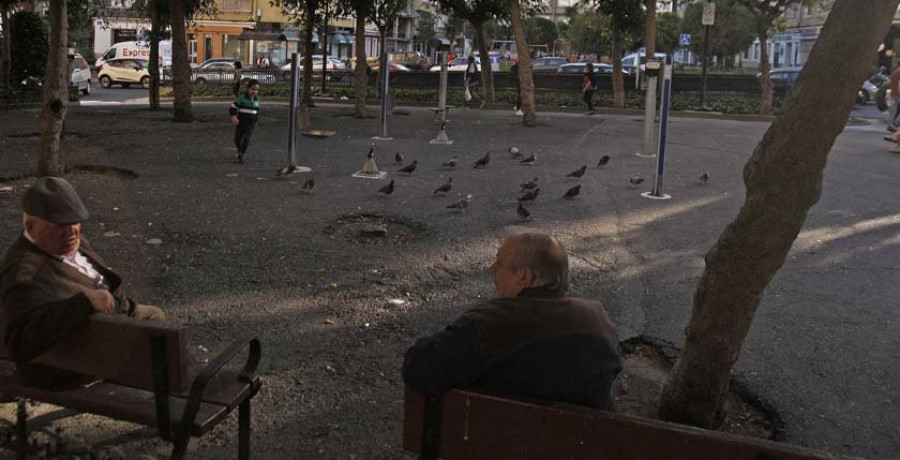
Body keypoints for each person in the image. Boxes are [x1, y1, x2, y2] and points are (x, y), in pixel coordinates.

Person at [402, 233, 622, 410]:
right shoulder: (598, 320)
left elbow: (418, 368)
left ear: (523, 277)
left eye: (499, 263)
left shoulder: (491, 322)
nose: (491, 269)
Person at [0, 177, 166, 386]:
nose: (71, 232)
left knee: (155, 318)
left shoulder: (65, 243)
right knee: (160, 338)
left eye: (75, 222)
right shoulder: (25, 273)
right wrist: (82, 303)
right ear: (30, 226)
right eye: (59, 225)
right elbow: (19, 342)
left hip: (102, 329)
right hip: (72, 364)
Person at [229, 78, 261, 164]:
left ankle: (242, 154)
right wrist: (234, 117)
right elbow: (233, 108)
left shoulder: (257, 100)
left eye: (257, 90)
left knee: (247, 138)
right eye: (253, 89)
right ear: (248, 88)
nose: (254, 92)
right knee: (237, 139)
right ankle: (240, 151)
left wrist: (256, 120)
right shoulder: (242, 98)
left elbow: (257, 111)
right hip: (241, 122)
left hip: (251, 124)